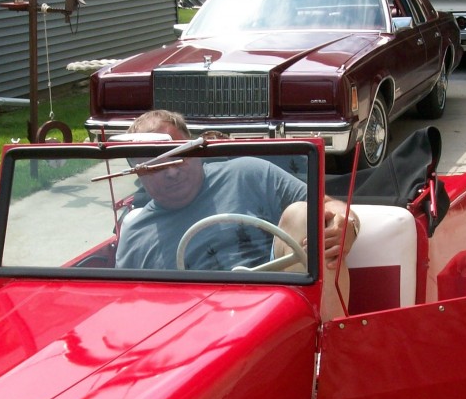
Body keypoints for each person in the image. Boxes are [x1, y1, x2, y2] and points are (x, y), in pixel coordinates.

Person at [114, 110, 358, 317]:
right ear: (138, 173)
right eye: (156, 165)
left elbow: (329, 205)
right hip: (199, 328)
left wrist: (347, 225)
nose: (172, 172)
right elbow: (129, 312)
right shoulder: (135, 236)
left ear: (197, 149)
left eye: (179, 155)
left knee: (306, 216)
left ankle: (331, 350)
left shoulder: (249, 173)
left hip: (284, 306)